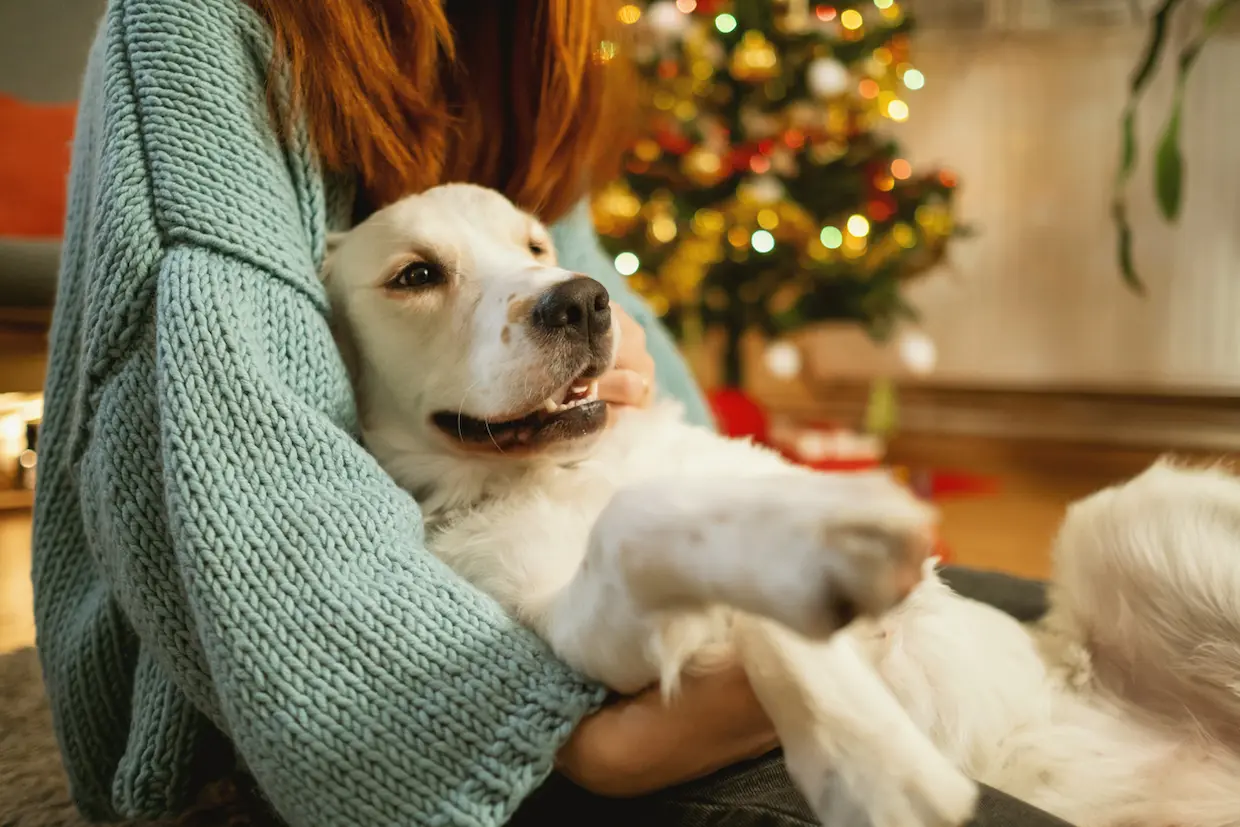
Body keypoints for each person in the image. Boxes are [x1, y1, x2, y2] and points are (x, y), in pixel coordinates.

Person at [31, 1, 1070, 825]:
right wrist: (580, 743)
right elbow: (243, 470)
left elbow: (612, 335)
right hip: (382, 686)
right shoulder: (189, 33)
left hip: (603, 551)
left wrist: (665, 424)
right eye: (418, 277)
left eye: (533, 256)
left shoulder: (522, 41)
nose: (552, 289)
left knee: (1036, 605)